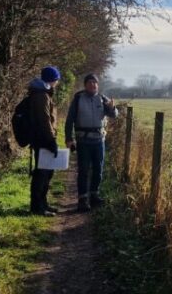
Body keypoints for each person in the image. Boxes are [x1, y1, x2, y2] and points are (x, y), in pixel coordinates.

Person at [64, 73, 117, 212]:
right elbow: (69, 120)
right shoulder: (78, 99)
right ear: (85, 85)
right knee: (83, 170)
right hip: (83, 141)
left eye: (95, 83)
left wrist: (112, 108)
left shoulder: (103, 99)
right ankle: (82, 199)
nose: (93, 85)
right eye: (90, 82)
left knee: (98, 169)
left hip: (99, 141)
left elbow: (114, 115)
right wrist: (69, 139)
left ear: (98, 85)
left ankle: (94, 195)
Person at [28, 66, 61, 216]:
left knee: (46, 173)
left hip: (42, 139)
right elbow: (45, 120)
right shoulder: (42, 95)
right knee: (42, 174)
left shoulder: (42, 93)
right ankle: (37, 207)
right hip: (43, 140)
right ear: (53, 80)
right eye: (57, 79)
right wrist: (51, 140)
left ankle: (43, 203)